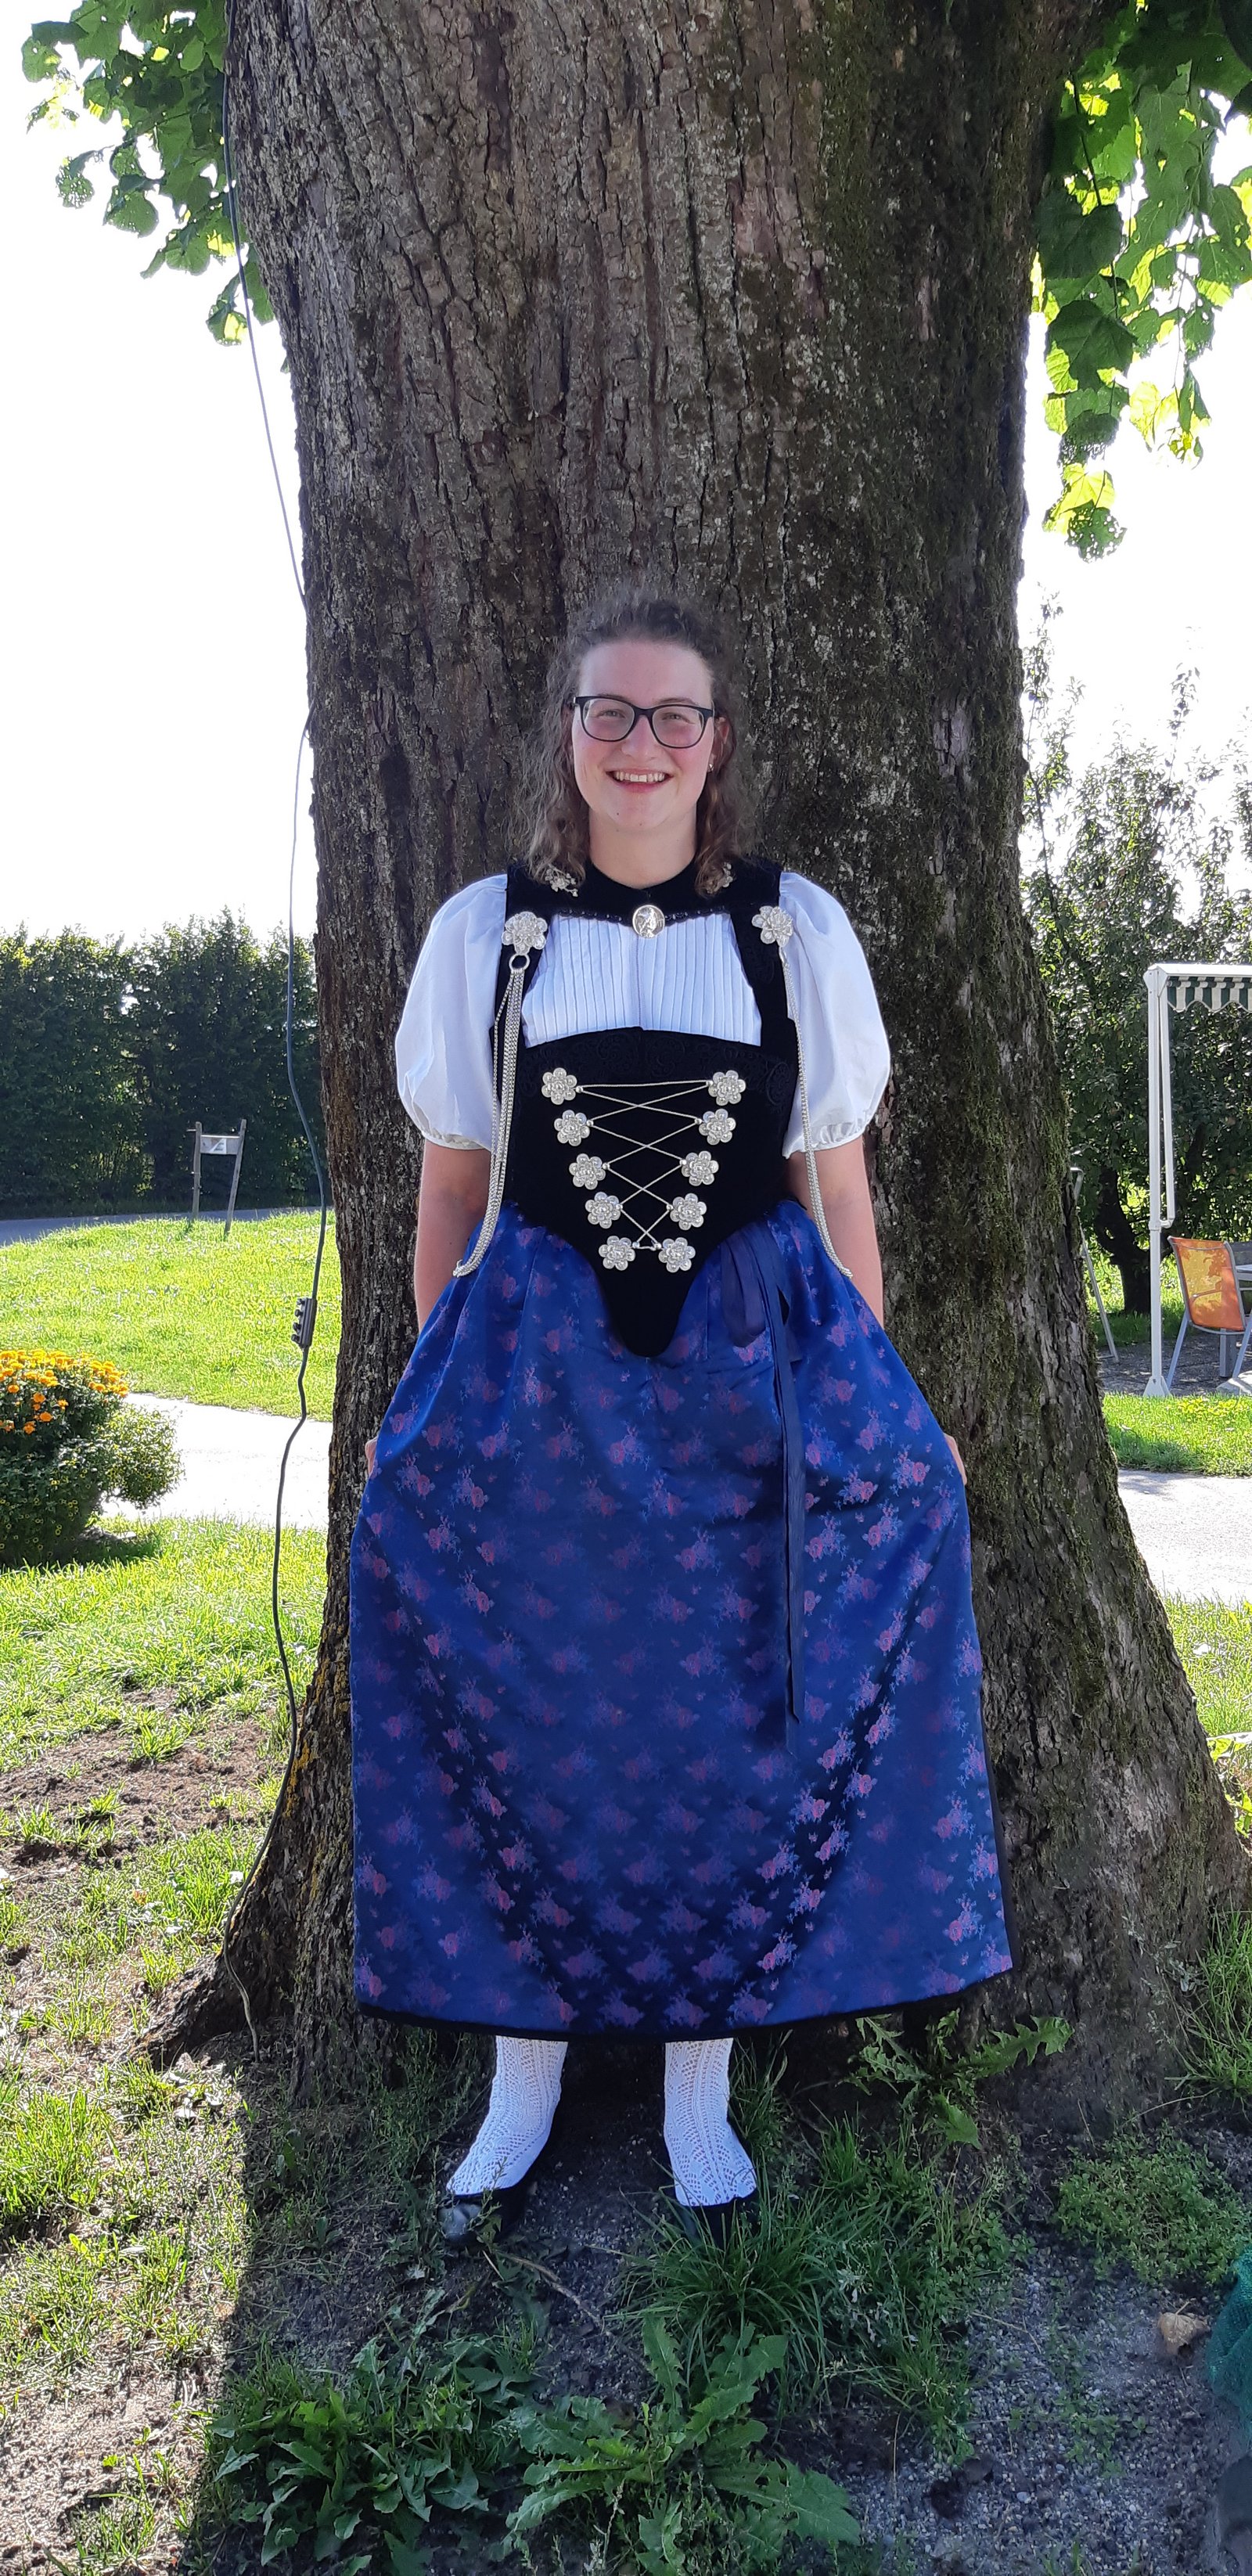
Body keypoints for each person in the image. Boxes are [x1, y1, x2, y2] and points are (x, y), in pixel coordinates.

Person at [350, 586, 1013, 2243]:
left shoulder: (792, 935)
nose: (638, 743)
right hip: (543, 1387)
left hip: (743, 1383)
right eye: (609, 711)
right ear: (568, 735)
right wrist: (447, 1398)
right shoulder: (488, 937)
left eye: (672, 717)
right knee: (533, 1714)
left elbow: (835, 1194)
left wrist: (871, 1405)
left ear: (714, 746)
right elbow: (452, 1196)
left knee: (727, 1733)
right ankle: (519, 2080)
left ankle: (694, 2093)